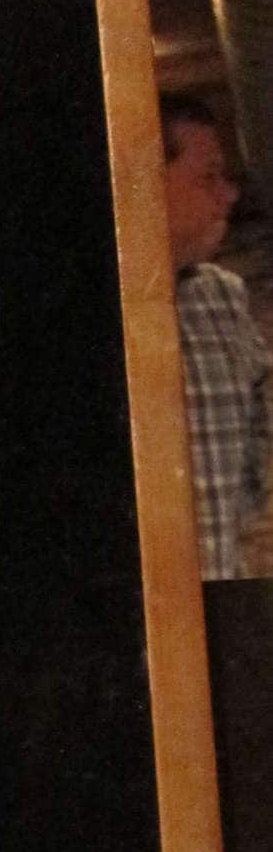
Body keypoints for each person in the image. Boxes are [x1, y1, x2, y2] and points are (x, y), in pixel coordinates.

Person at [160, 91, 270, 579]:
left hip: (217, 590)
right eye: (208, 177)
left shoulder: (221, 297)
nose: (229, 194)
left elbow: (256, 456)